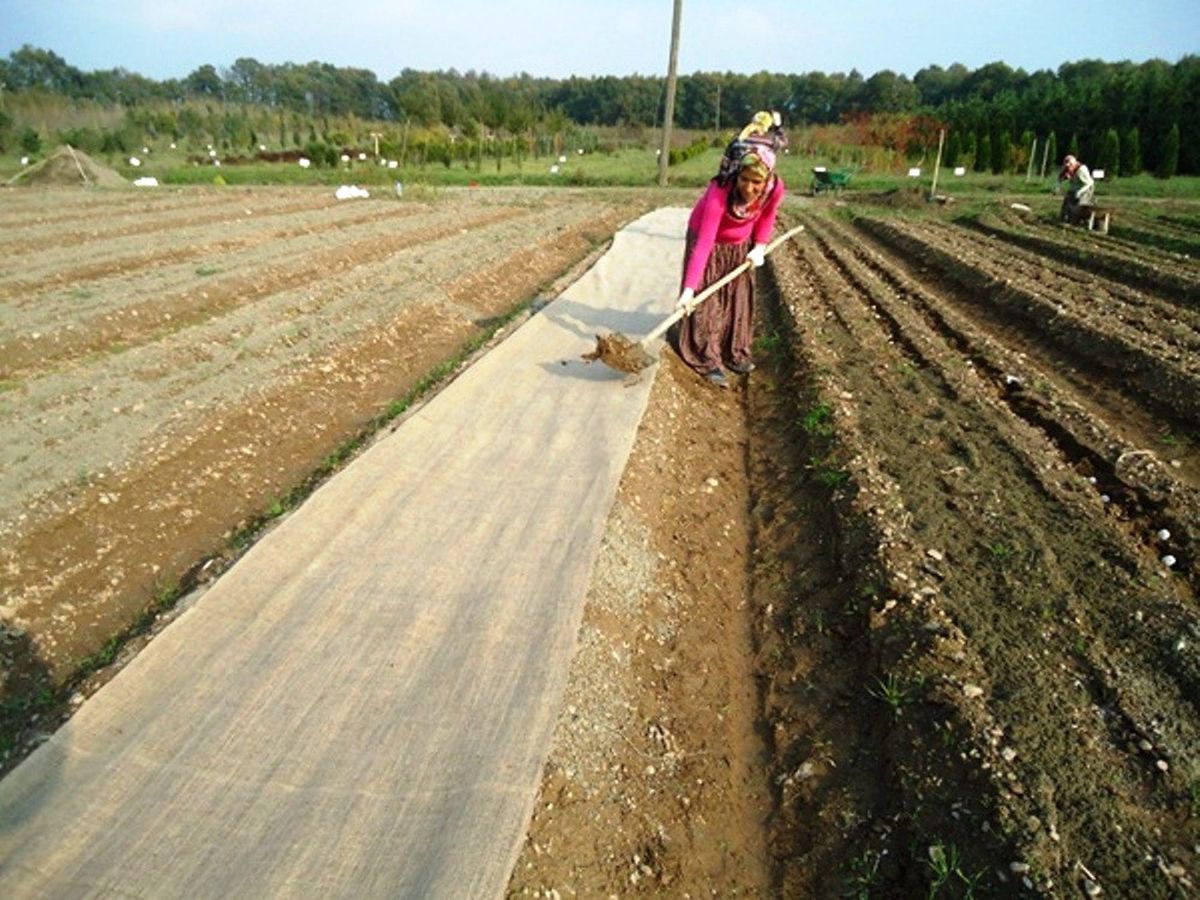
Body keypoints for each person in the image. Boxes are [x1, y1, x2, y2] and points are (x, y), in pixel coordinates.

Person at [672, 113, 787, 388]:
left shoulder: (774, 189)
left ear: (766, 180)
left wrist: (759, 246)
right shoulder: (718, 195)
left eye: (756, 183)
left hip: (740, 244)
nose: (749, 188)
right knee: (708, 299)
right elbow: (704, 244)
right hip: (708, 241)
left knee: (736, 297)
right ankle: (707, 357)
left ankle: (734, 351)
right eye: (744, 179)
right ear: (737, 175)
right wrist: (689, 289)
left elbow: (767, 216)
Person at [1058, 154, 1095, 224]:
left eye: (1070, 165)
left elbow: (1089, 183)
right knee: (1067, 201)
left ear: (1073, 164)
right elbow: (1060, 178)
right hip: (1075, 187)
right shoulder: (1067, 168)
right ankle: (1064, 219)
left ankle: (1078, 221)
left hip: (1086, 188)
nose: (1068, 167)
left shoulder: (1081, 170)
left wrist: (1080, 192)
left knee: (1080, 205)